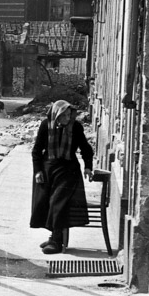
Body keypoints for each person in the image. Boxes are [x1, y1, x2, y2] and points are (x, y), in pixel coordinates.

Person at [30, 100, 94, 254]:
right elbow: (37, 150)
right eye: (64, 115)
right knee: (44, 202)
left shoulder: (75, 127)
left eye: (69, 114)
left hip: (68, 170)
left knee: (57, 202)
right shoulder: (46, 125)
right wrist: (38, 171)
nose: (67, 118)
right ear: (56, 115)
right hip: (48, 169)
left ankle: (57, 241)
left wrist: (88, 167)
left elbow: (86, 149)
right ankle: (54, 235)